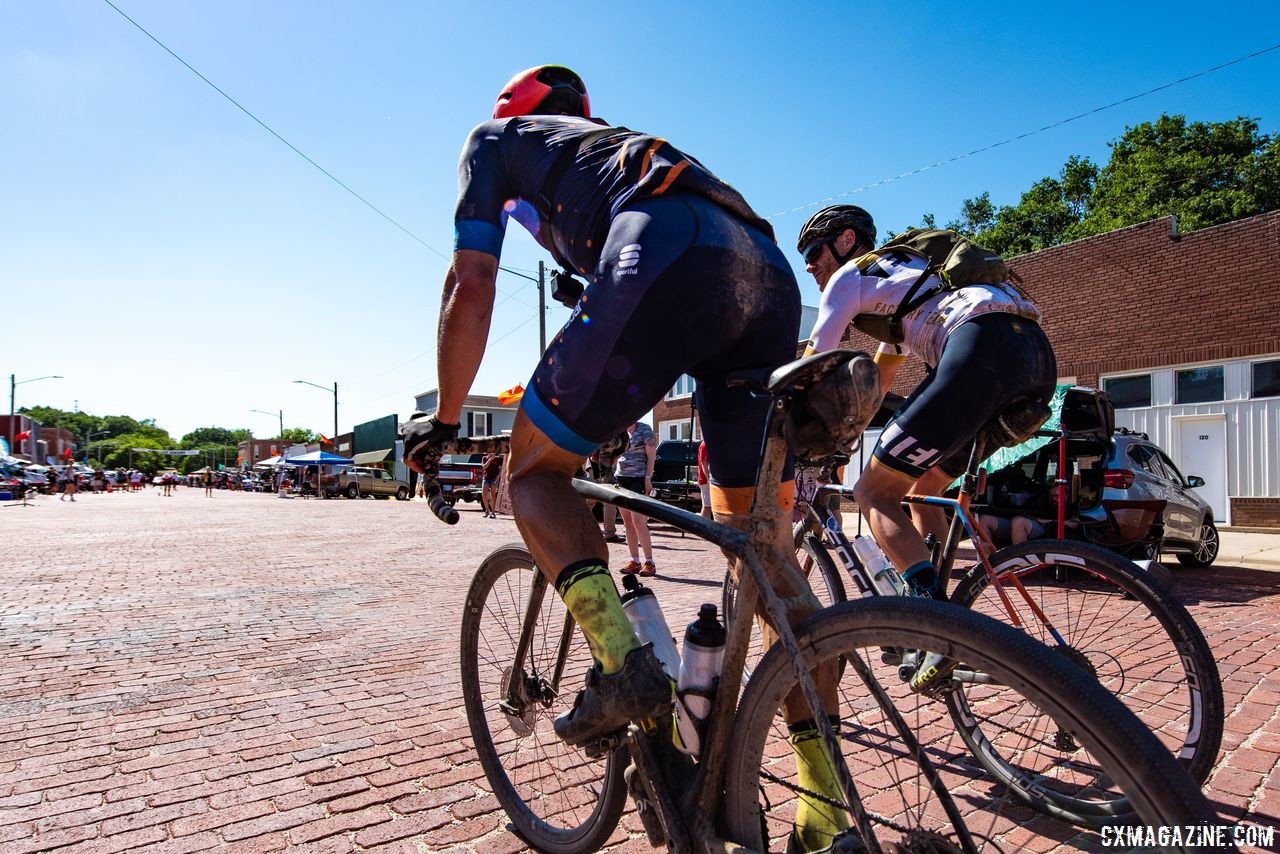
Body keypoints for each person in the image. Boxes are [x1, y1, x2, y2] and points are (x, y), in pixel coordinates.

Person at [400, 65, 850, 850]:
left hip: (664, 253)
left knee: (533, 471)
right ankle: (829, 807)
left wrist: (441, 420)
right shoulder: (615, 149)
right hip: (763, 275)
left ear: (513, 111)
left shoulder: (498, 140)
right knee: (764, 552)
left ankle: (624, 664)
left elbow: (470, 284)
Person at [799, 205, 1056, 606]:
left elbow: (811, 366)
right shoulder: (913, 279)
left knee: (873, 493)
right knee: (923, 488)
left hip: (979, 347)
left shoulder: (850, 277)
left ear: (846, 240)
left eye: (814, 253)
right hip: (1035, 356)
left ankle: (932, 623)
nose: (810, 267)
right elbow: (879, 385)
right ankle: (943, 603)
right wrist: (844, 442)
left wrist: (790, 429)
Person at [615, 420, 658, 576]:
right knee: (627, 522)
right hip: (621, 479)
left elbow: (652, 457)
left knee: (638, 522)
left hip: (638, 479)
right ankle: (634, 560)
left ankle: (649, 562)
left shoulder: (645, 430)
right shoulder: (619, 429)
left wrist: (648, 478)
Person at [480, 452, 503, 518]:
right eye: (489, 452)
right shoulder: (484, 458)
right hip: (486, 478)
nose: (491, 453)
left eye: (492, 452)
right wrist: (490, 459)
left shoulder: (497, 459)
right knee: (484, 494)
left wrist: (497, 477)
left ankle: (493, 512)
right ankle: (487, 510)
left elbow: (500, 469)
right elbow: (484, 467)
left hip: (493, 479)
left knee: (493, 495)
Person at [695, 439, 713, 520]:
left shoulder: (707, 444)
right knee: (707, 506)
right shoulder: (705, 445)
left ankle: (700, 523)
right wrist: (709, 479)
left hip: (708, 480)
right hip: (706, 481)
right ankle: (703, 527)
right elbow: (704, 463)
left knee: (707, 506)